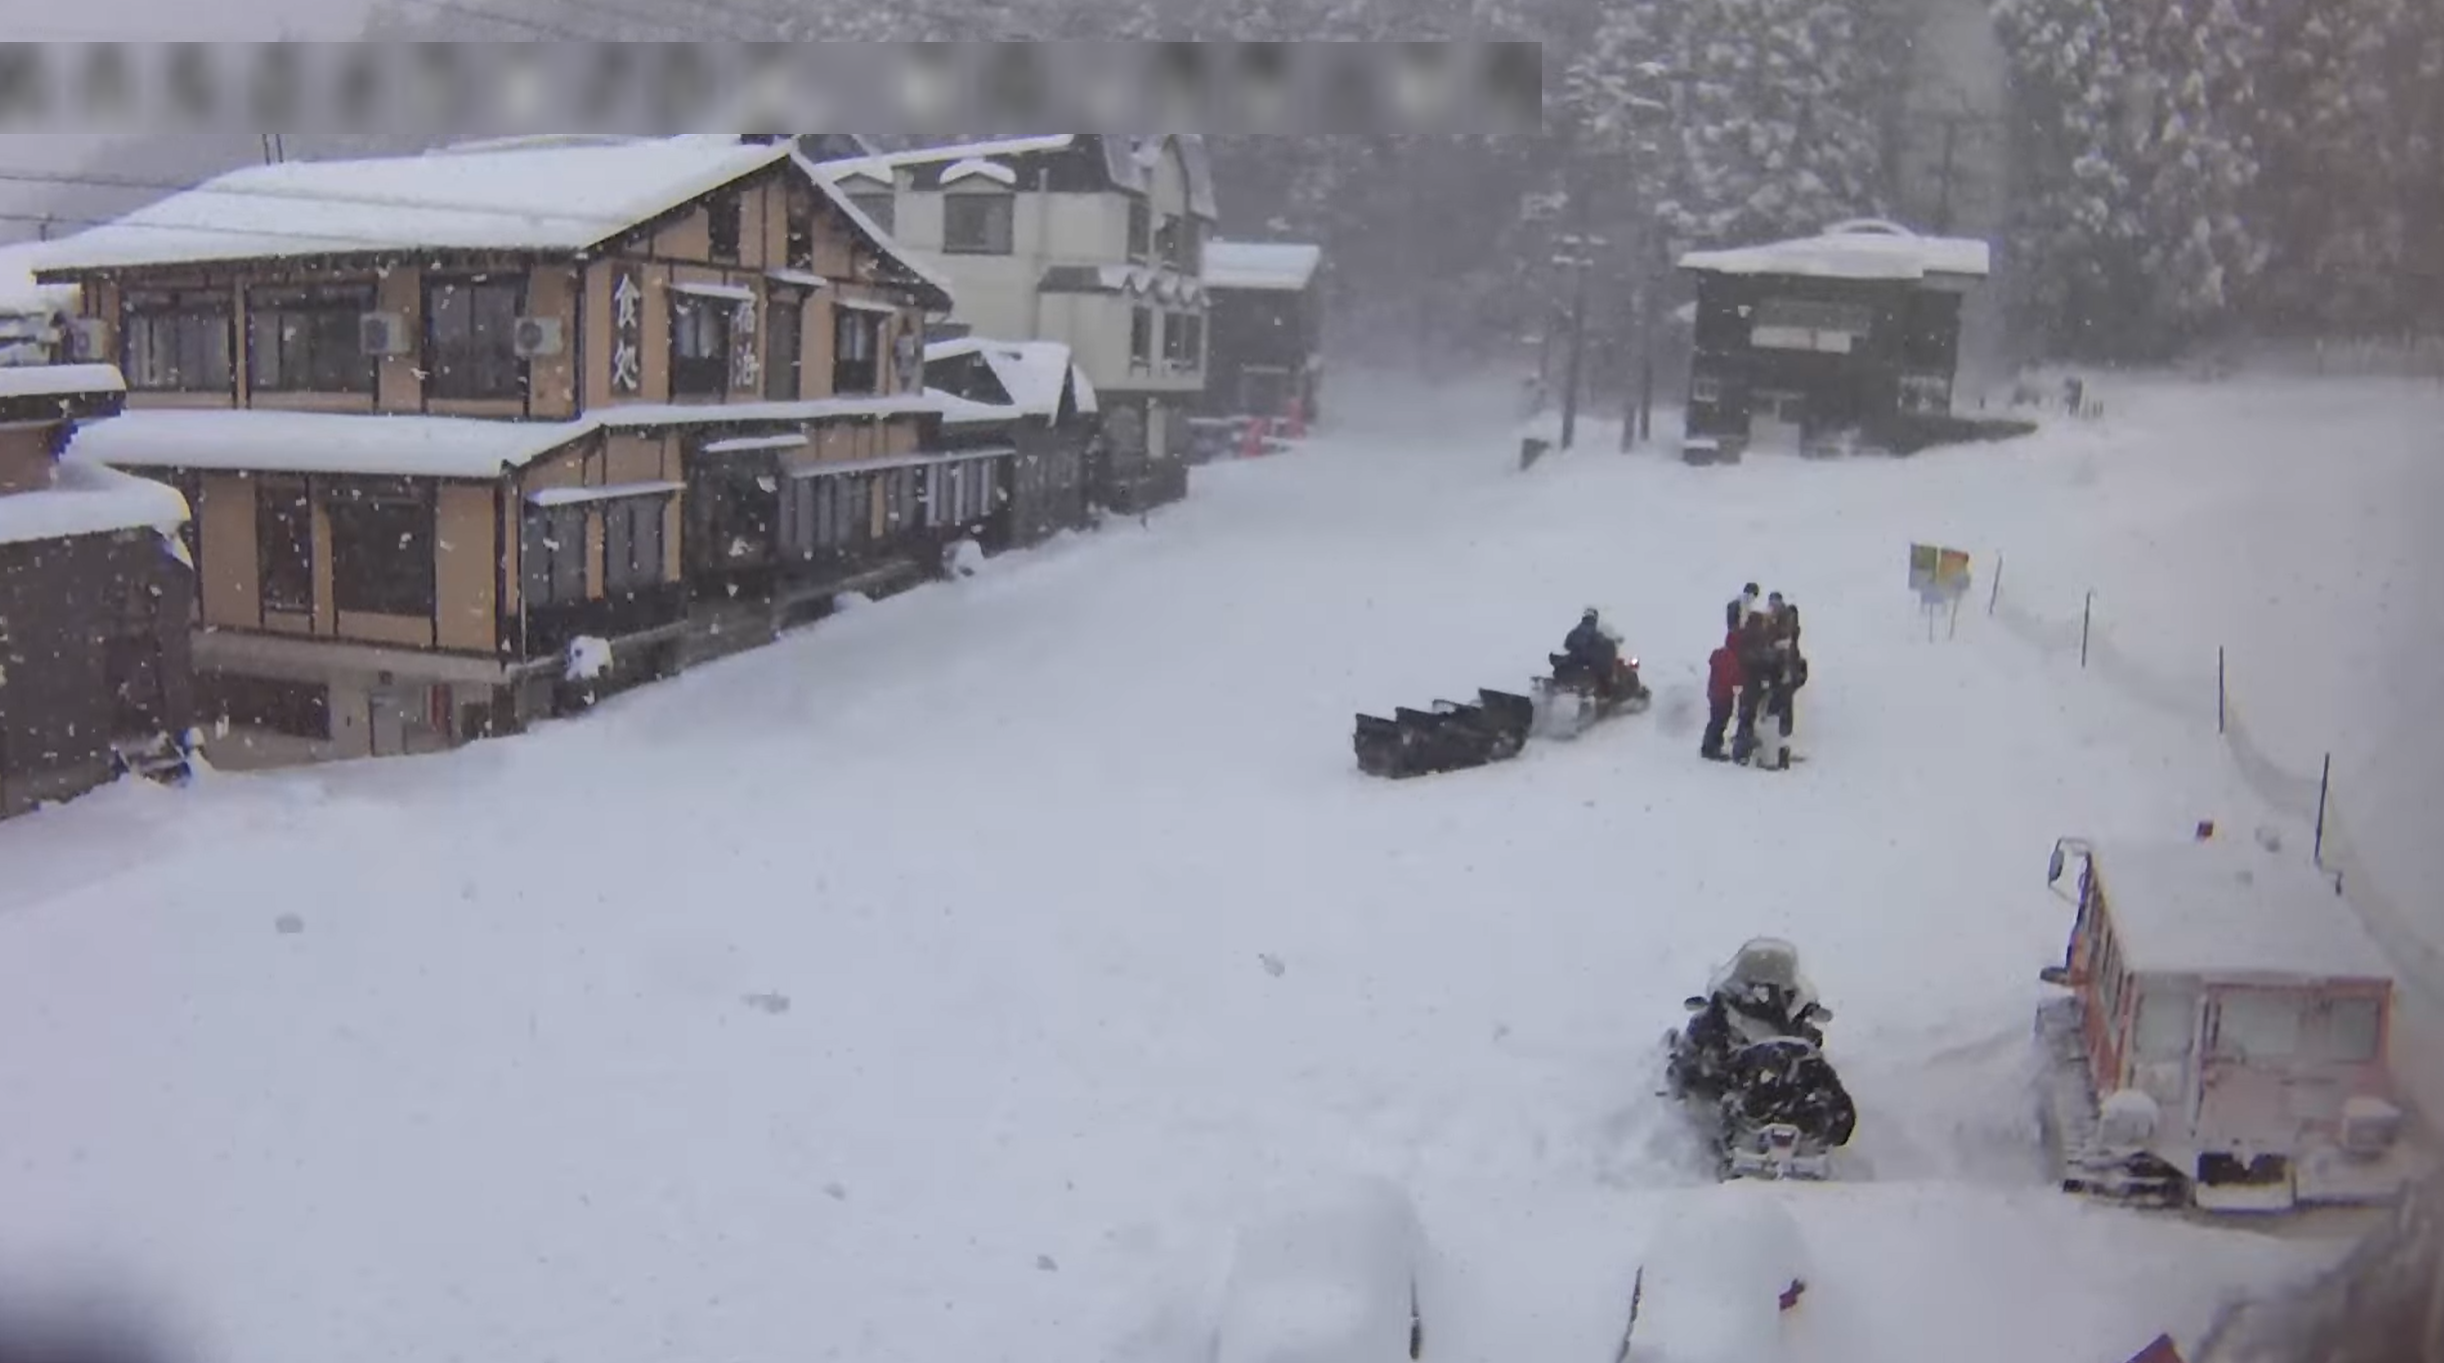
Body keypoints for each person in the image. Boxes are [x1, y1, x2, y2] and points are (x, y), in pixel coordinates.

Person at [1703, 628, 1744, 761]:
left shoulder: (1719, 654)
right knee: (1720, 721)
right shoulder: (1732, 659)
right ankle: (1712, 747)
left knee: (1714, 720)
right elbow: (1734, 677)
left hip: (1713, 692)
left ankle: (1709, 746)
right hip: (1724, 695)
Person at [1561, 608, 1620, 697]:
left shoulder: (1575, 631)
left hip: (1575, 662)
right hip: (1590, 663)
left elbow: (1567, 645)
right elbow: (1603, 644)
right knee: (1606, 675)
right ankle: (1606, 694)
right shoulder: (1595, 632)